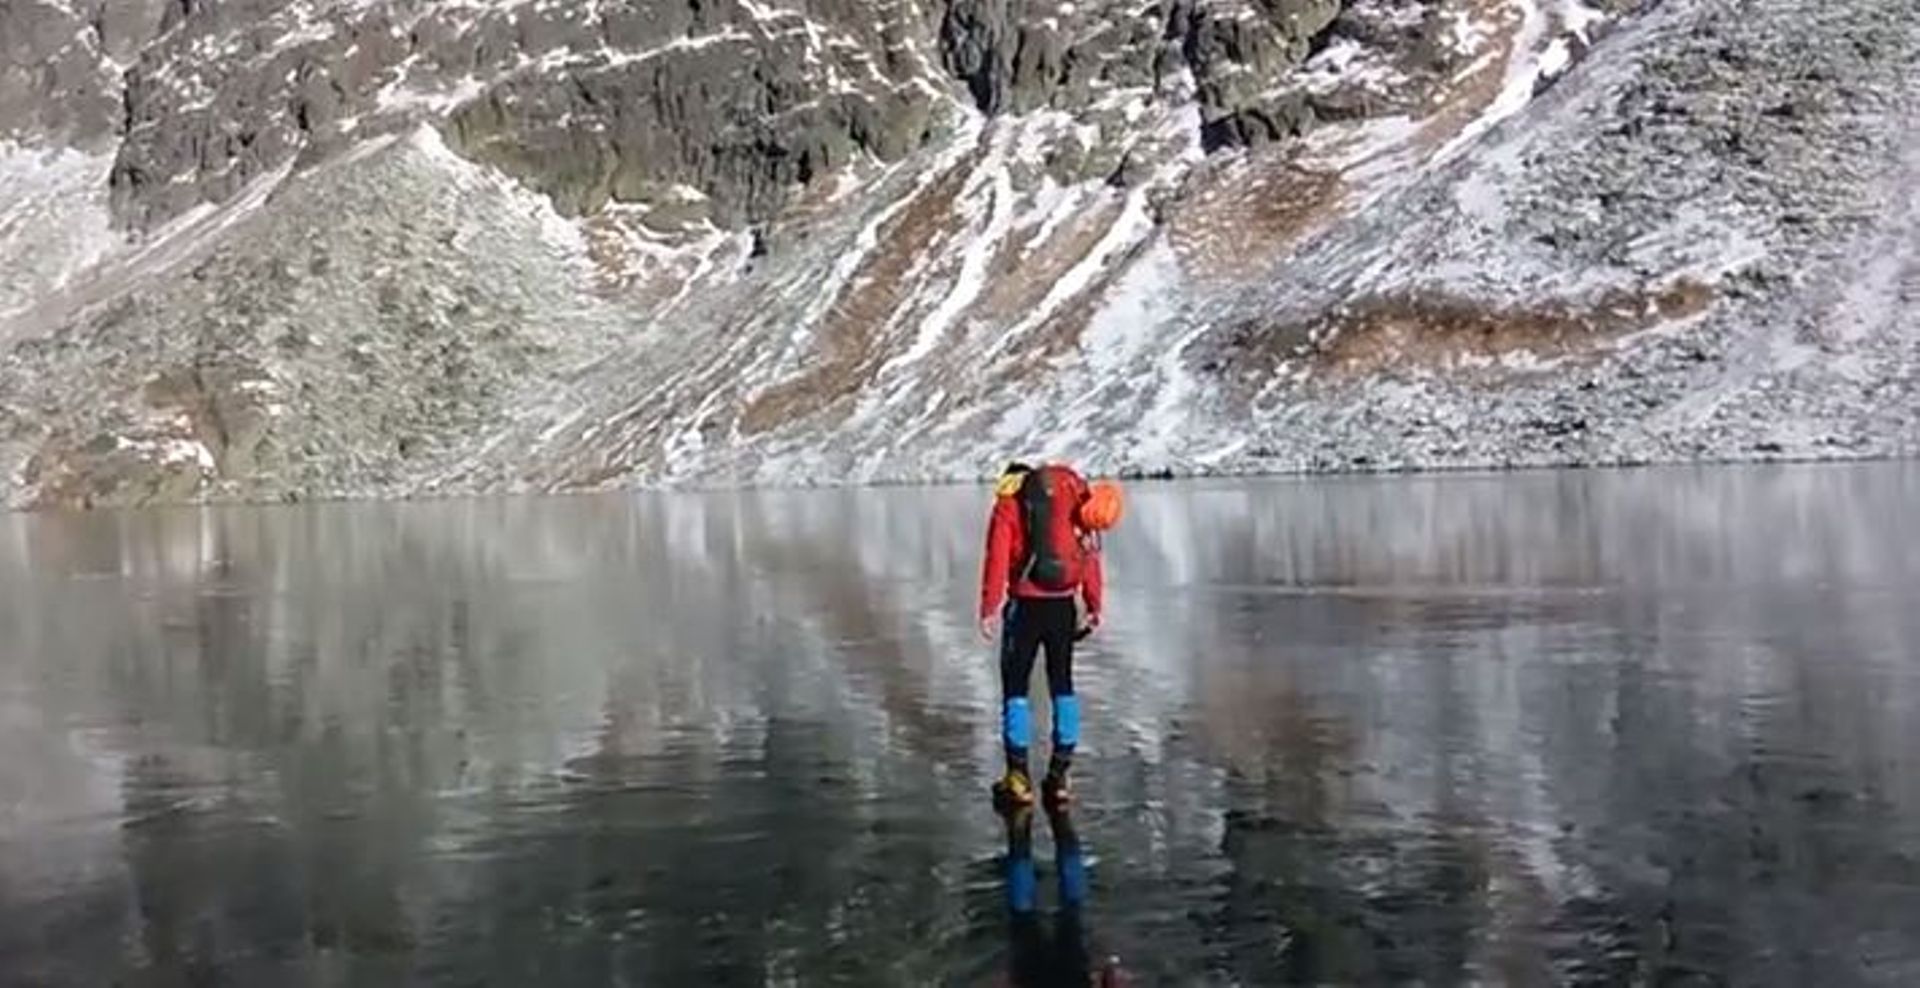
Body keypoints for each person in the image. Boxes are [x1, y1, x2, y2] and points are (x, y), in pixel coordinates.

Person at [979, 462, 1123, 809]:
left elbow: (996, 555)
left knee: (1016, 688)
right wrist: (1094, 603)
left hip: (1025, 606)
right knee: (1063, 684)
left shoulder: (1008, 503)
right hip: (1063, 607)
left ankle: (1018, 779)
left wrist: (989, 606)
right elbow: (1089, 553)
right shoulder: (1072, 500)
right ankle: (1059, 778)